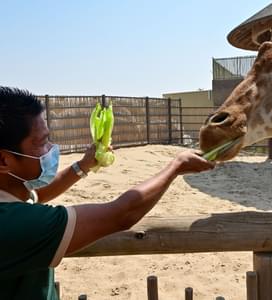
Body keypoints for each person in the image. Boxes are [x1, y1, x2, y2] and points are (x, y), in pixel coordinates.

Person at [0, 86, 215, 299]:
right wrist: (176, 166)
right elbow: (121, 214)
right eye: (41, 143)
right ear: (4, 160)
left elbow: (39, 194)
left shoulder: (14, 195)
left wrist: (83, 166)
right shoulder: (14, 224)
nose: (51, 149)